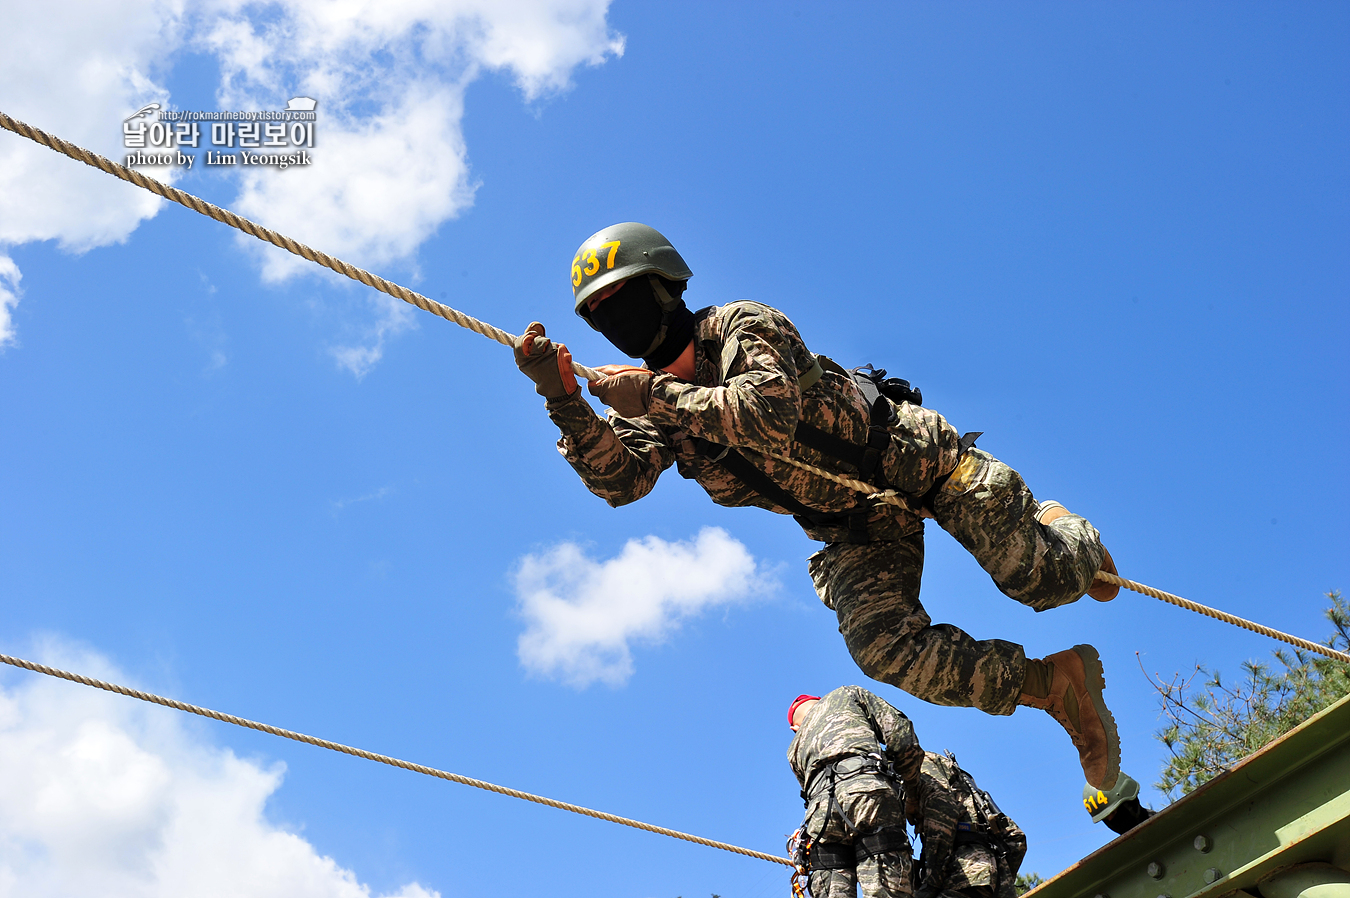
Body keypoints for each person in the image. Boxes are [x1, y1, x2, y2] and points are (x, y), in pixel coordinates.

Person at [515, 222, 1136, 798]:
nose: (611, 318)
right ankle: (1054, 687)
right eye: (596, 312)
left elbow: (765, 415)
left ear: (663, 284)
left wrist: (651, 391)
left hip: (919, 464)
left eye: (619, 297)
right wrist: (564, 398)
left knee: (1042, 581)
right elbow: (623, 482)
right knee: (882, 646)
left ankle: (1066, 536)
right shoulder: (651, 404)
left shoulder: (737, 326)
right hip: (857, 525)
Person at [786, 688, 950, 898]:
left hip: (820, 819)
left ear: (795, 727)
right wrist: (911, 791)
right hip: (868, 796)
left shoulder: (793, 749)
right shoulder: (847, 694)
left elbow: (808, 795)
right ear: (821, 702)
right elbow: (901, 735)